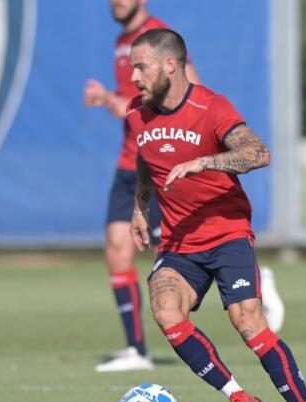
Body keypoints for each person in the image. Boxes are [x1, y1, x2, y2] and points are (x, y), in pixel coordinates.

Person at [127, 28, 306, 402]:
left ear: (170, 65)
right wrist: (139, 208)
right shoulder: (136, 112)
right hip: (179, 242)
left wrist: (205, 162)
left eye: (140, 67)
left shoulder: (211, 106)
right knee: (165, 309)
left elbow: (259, 152)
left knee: (248, 323)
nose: (133, 77)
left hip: (227, 234)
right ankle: (238, 396)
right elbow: (148, 160)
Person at [84, 0, 284, 373]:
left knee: (179, 250)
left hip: (170, 168)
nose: (115, 2)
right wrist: (111, 100)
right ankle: (136, 349)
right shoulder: (123, 42)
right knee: (117, 248)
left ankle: (250, 274)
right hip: (133, 162)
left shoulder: (157, 38)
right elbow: (138, 103)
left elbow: (185, 96)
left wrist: (197, 155)